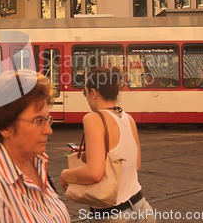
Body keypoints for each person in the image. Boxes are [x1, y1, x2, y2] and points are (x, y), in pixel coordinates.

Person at [0, 70, 70, 222]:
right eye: (38, 121)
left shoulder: (36, 160)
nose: (49, 130)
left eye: (48, 119)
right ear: (5, 126)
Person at [60, 67, 154, 223]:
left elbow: (94, 173)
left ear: (93, 92)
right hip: (141, 207)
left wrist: (65, 175)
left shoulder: (93, 118)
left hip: (114, 216)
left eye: (85, 93)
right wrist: (96, 153)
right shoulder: (128, 119)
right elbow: (134, 165)